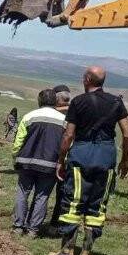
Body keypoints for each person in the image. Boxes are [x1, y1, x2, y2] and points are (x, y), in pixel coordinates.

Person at [51, 66, 128, 255]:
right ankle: (86, 253)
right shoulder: (116, 102)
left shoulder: (78, 102)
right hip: (106, 158)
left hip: (81, 156)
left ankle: (67, 251)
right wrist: (125, 160)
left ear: (87, 79)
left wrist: (61, 160)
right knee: (97, 206)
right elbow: (127, 134)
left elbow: (68, 134)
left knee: (73, 203)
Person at [11, 89, 65, 237]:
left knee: (22, 193)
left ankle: (18, 226)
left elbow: (18, 142)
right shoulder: (63, 121)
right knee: (42, 196)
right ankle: (33, 230)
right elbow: (67, 144)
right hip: (50, 166)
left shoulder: (29, 117)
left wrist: (15, 157)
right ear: (55, 102)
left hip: (26, 163)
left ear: (39, 101)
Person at [48, 86, 74, 230]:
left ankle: (52, 224)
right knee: (62, 193)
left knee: (43, 192)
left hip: (56, 157)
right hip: (65, 157)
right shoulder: (76, 111)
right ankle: (56, 224)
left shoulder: (53, 113)